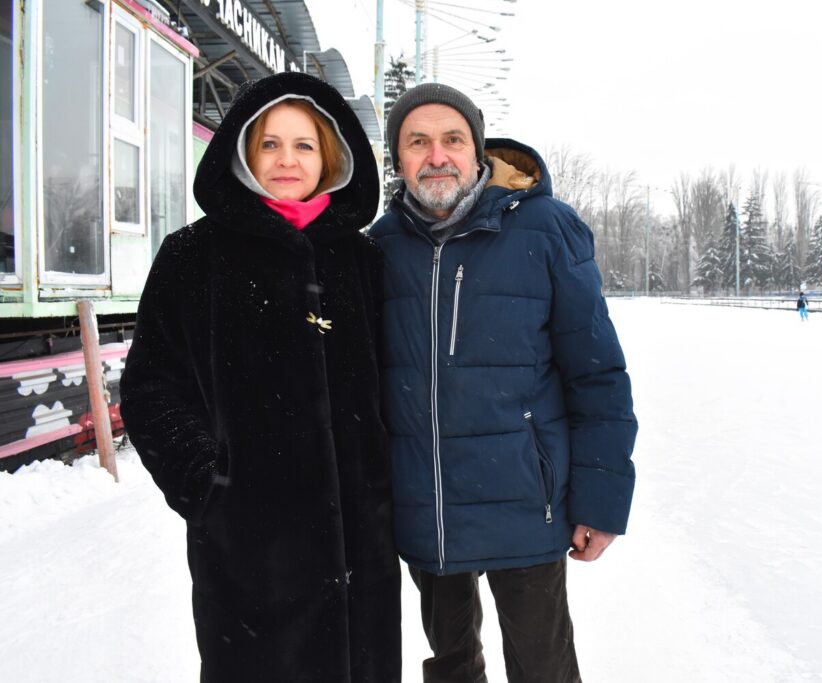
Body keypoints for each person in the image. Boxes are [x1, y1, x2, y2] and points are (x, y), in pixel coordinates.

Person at [119, 72, 401, 683]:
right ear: (243, 152)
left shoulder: (364, 260)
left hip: (362, 548)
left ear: (330, 156)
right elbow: (150, 387)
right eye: (269, 143)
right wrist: (206, 485)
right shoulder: (192, 256)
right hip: (247, 552)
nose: (286, 160)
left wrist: (383, 488)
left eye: (304, 145)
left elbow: (395, 383)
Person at [370, 83, 638, 683]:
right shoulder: (381, 245)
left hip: (525, 501)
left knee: (543, 669)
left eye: (452, 139)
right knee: (452, 666)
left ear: (477, 150)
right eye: (417, 142)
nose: (436, 156)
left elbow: (597, 374)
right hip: (427, 506)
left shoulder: (545, 228)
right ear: (399, 158)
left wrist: (601, 500)